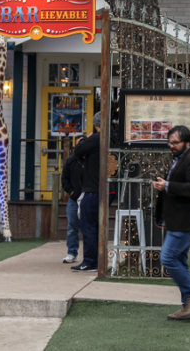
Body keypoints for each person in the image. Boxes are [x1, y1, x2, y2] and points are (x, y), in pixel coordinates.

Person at [152, 125, 190, 320]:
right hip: (179, 219)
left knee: (167, 258)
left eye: (175, 142)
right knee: (180, 261)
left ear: (188, 142)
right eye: (170, 142)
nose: (172, 145)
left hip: (186, 221)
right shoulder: (181, 158)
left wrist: (167, 185)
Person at [70, 111, 118, 272]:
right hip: (109, 189)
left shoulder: (98, 138)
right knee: (98, 226)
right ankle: (99, 260)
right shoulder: (114, 138)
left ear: (96, 124)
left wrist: (85, 139)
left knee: (88, 226)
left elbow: (78, 151)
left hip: (94, 189)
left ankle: (90, 261)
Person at [60, 135, 86, 264]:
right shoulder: (71, 160)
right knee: (72, 227)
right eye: (77, 144)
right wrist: (71, 191)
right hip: (74, 199)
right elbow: (64, 178)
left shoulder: (92, 160)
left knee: (90, 228)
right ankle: (72, 253)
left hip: (88, 198)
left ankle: (90, 255)